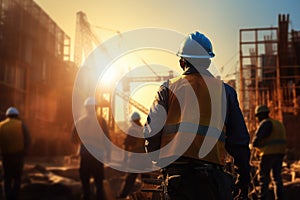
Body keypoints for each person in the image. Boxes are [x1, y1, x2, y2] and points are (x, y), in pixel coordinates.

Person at [144, 31, 251, 200]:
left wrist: (160, 161)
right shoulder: (226, 92)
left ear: (181, 61)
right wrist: (244, 177)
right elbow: (239, 142)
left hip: (176, 178)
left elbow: (151, 132)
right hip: (212, 180)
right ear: (208, 62)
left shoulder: (167, 89)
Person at [72, 97, 110, 200]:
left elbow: (73, 138)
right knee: (99, 183)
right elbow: (107, 139)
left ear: (86, 108)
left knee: (85, 182)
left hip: (85, 155)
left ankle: (86, 196)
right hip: (98, 156)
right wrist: (108, 154)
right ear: (96, 108)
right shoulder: (101, 121)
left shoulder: (80, 121)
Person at [252, 105, 286, 200]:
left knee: (264, 178)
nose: (258, 119)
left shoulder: (265, 123)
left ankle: (262, 198)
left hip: (268, 154)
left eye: (258, 116)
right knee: (277, 178)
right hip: (280, 153)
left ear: (260, 115)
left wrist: (254, 146)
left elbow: (256, 140)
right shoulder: (278, 124)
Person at [0, 107, 31, 200]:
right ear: (17, 115)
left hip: (6, 156)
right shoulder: (21, 125)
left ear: (7, 116)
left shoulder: (1, 125)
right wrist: (25, 151)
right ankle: (15, 196)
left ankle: (7, 196)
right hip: (18, 155)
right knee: (17, 177)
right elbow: (28, 139)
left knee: (7, 177)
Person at [119, 112, 145, 198]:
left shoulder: (132, 129)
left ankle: (123, 195)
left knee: (130, 178)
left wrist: (125, 158)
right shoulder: (143, 129)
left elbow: (127, 144)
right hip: (144, 157)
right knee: (146, 178)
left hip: (135, 157)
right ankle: (148, 194)